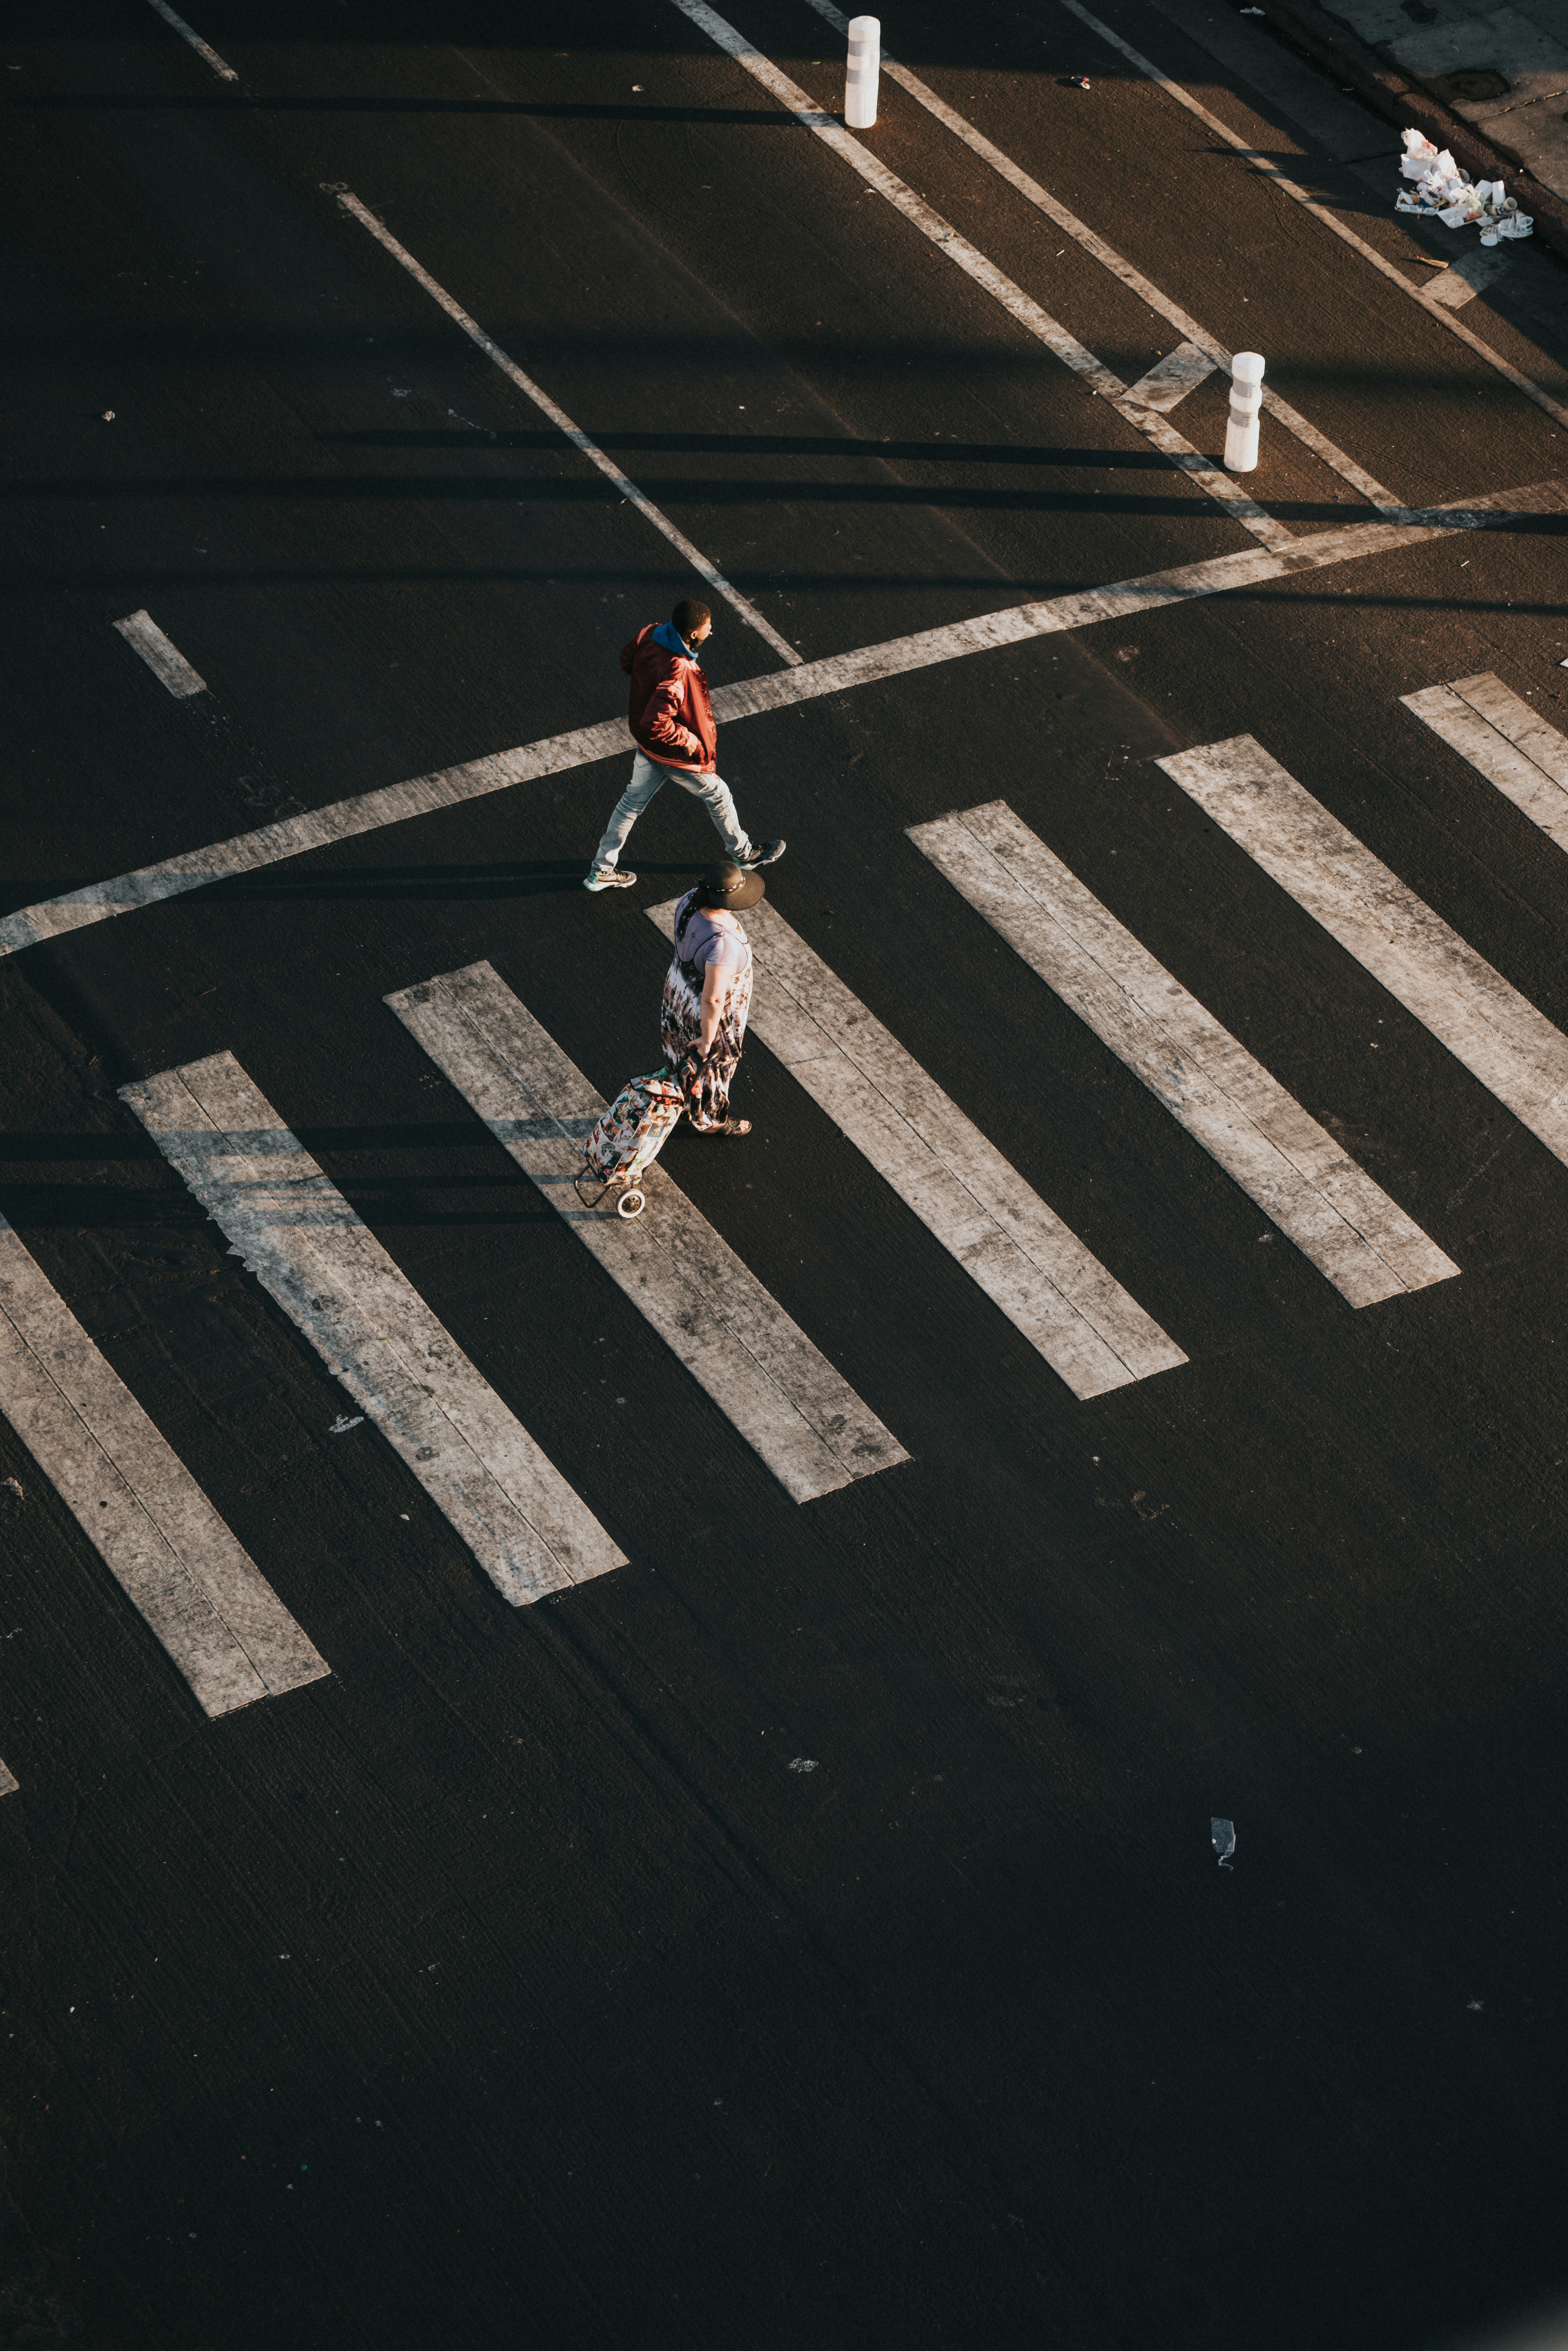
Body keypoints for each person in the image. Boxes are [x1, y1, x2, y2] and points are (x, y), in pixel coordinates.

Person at [584, 599, 785, 892]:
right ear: (693, 634)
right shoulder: (680, 670)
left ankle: (601, 871)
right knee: (719, 796)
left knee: (630, 805)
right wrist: (690, 741)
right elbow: (659, 723)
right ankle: (744, 855)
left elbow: (627, 660)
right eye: (708, 627)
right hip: (676, 756)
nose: (711, 631)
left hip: (647, 747)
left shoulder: (649, 633)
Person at [660, 862, 763, 1135]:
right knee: (714, 1065)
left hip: (678, 990)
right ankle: (710, 1121)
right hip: (705, 1013)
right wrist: (708, 1039)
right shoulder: (723, 943)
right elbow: (714, 999)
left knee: (682, 1053)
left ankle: (681, 1099)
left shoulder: (688, 901)